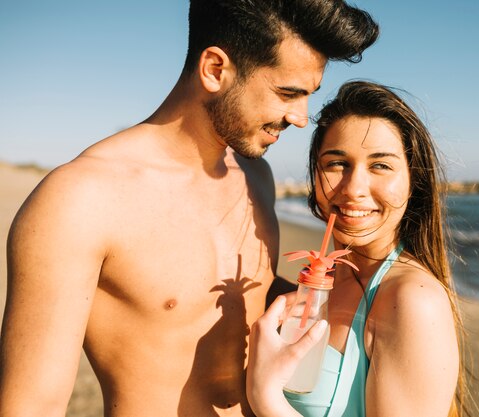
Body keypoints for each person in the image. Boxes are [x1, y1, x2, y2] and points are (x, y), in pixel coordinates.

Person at [0, 2, 379, 416]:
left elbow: (247, 301)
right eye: (288, 93)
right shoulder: (81, 200)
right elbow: (30, 406)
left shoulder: (258, 178)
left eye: (308, 95)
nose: (301, 117)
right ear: (215, 69)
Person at [246, 81, 468, 417]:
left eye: (381, 165)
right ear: (315, 174)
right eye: (337, 163)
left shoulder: (413, 299)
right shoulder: (324, 285)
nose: (353, 189)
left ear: (414, 182)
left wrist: (266, 399)